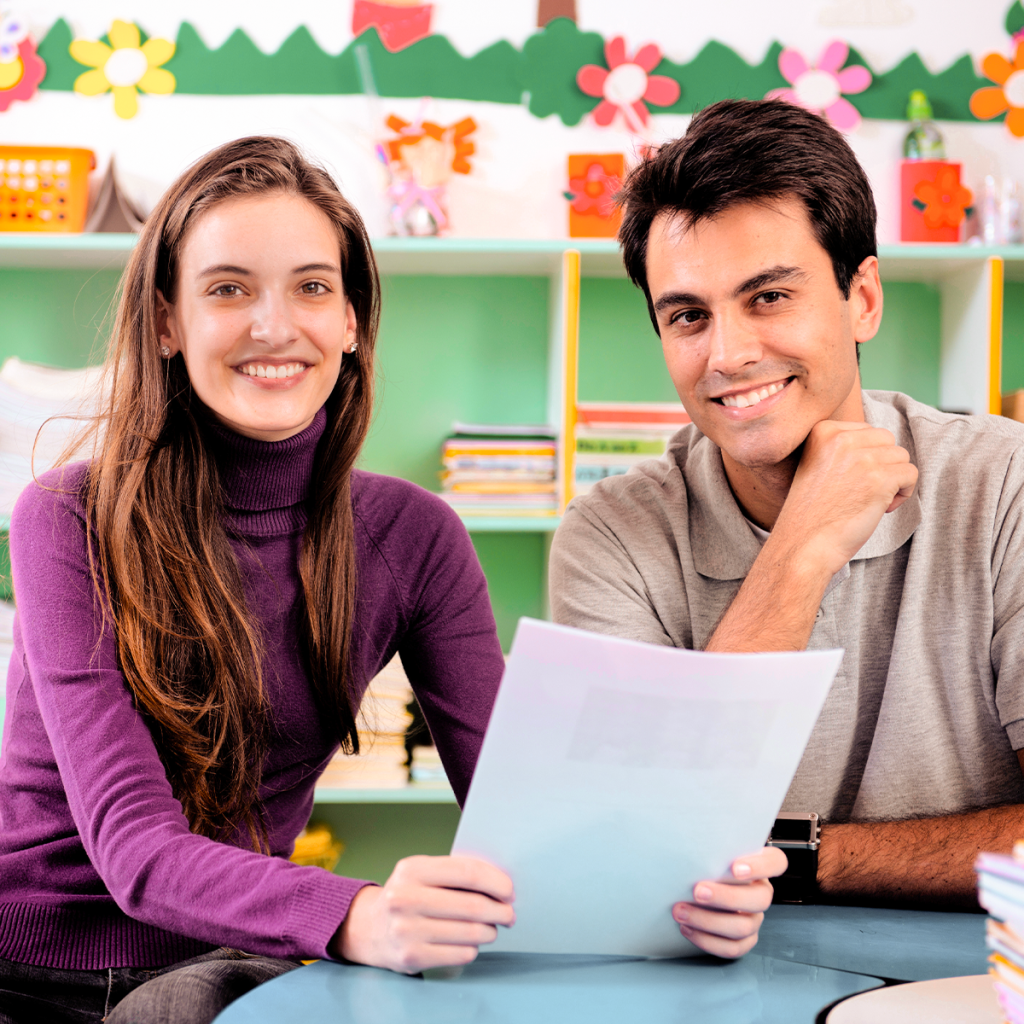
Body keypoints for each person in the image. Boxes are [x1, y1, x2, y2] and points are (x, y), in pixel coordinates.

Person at [0, 137, 779, 1024]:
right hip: (32, 972)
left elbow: (521, 803)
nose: (274, 325)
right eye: (227, 289)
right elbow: (135, 851)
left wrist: (676, 899)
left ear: (353, 322)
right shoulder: (66, 518)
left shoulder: (414, 536)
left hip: (228, 966)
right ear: (168, 323)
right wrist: (359, 910)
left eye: (312, 286)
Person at [550, 98, 1024, 910]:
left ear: (862, 299)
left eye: (769, 296)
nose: (728, 355)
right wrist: (803, 545)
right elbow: (639, 846)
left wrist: (799, 857)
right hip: (707, 974)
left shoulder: (1004, 483)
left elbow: (687, 845)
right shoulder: (610, 535)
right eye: (689, 316)